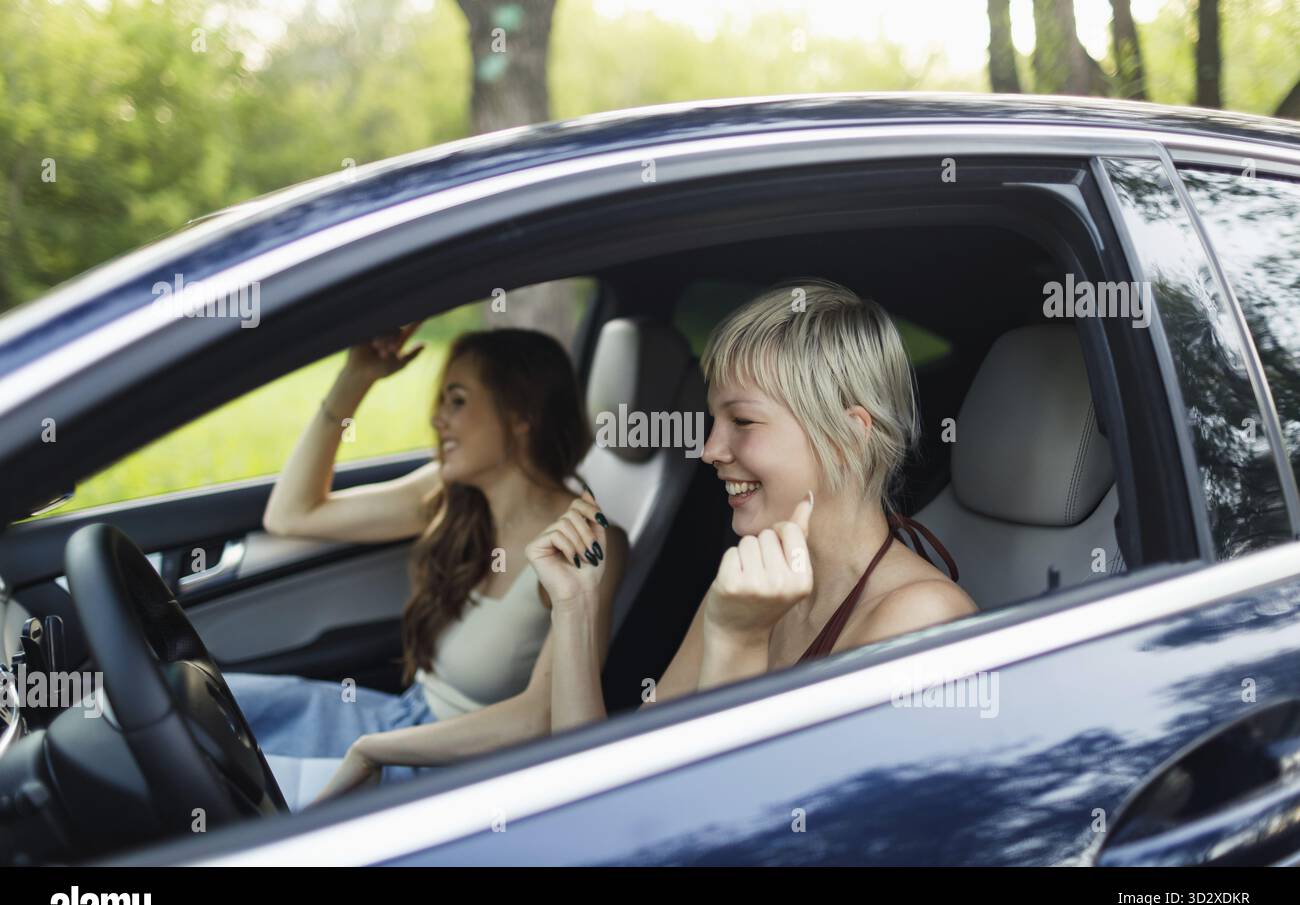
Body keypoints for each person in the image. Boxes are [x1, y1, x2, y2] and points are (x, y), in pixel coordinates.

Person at [534, 277, 979, 732]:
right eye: (714, 421)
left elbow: (742, 801)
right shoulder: (748, 588)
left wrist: (738, 643)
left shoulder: (920, 619)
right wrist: (574, 610)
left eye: (742, 420)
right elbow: (622, 779)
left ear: (847, 438)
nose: (709, 451)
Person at [224, 323, 627, 810]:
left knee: (208, 769)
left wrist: (374, 750)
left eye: (457, 401)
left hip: (443, 768)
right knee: (202, 703)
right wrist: (357, 376)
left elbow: (543, 715)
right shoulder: (448, 497)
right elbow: (290, 514)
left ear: (522, 415)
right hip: (396, 720)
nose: (438, 420)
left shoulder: (584, 539)